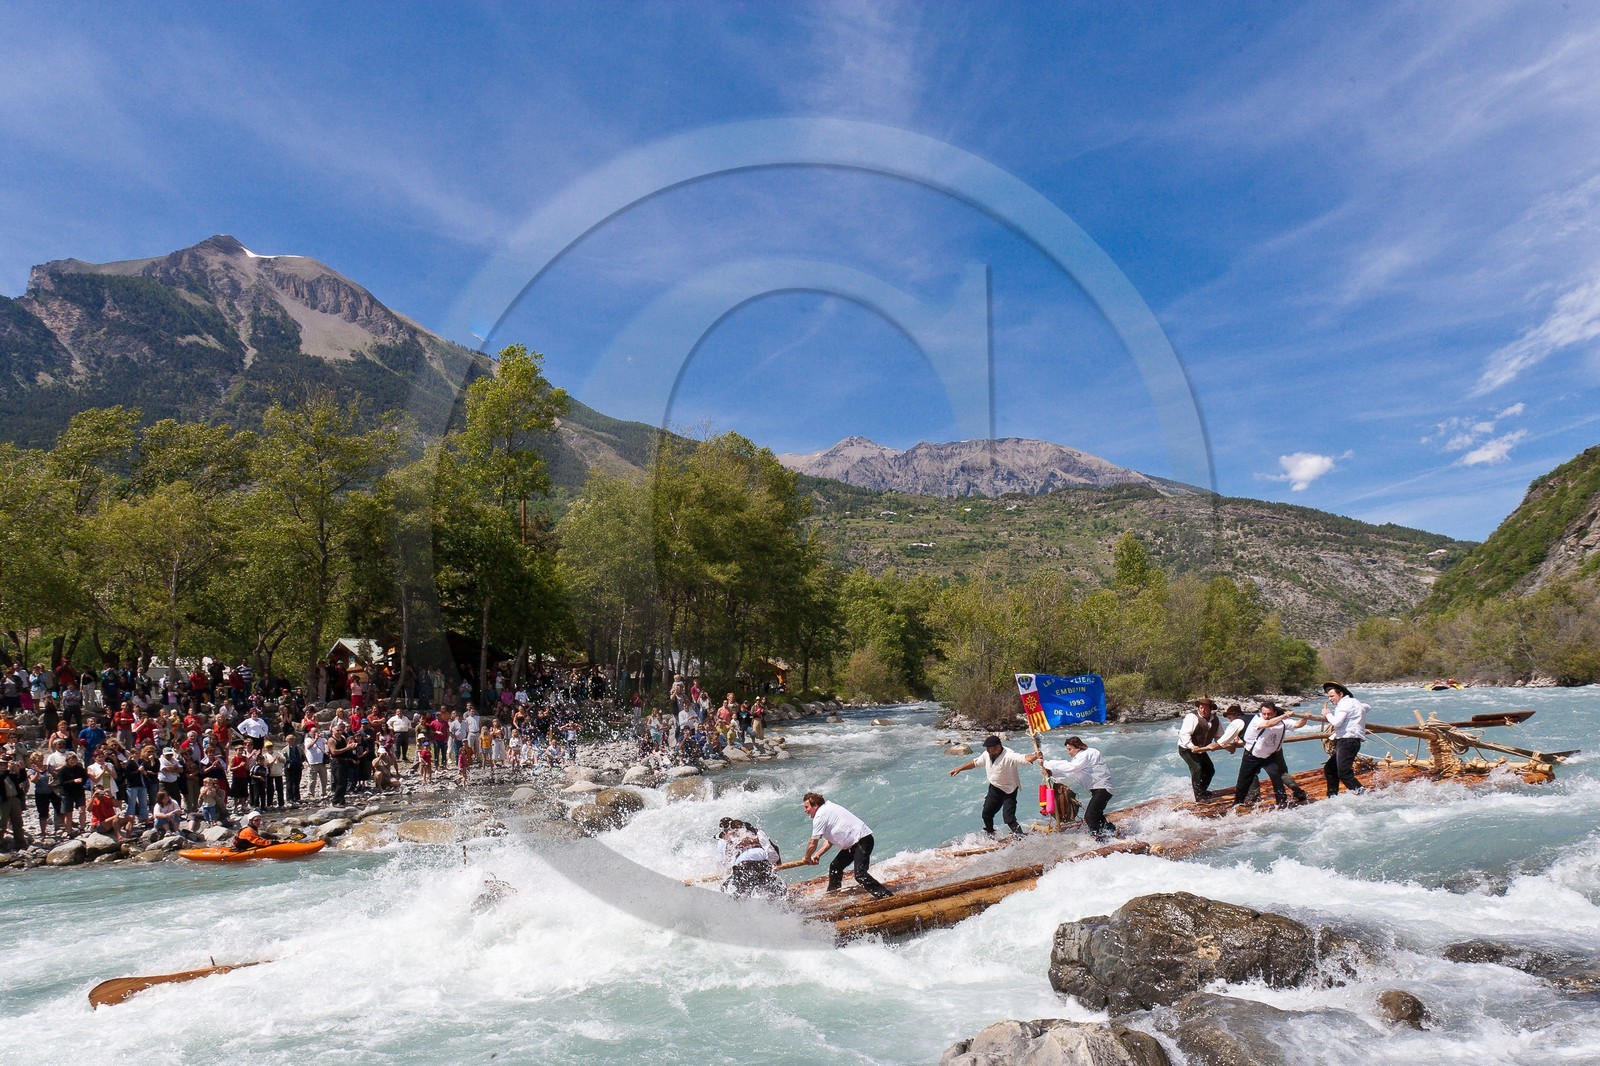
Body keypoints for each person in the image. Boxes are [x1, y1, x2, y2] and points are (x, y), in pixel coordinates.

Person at [800, 791, 893, 899]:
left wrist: (806, 857)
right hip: (854, 844)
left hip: (862, 841)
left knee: (860, 875)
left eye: (807, 807)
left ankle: (887, 896)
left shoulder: (820, 816)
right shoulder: (827, 809)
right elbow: (830, 840)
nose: (805, 810)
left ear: (815, 806)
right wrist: (817, 855)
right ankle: (833, 896)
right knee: (835, 867)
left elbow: (813, 843)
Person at [948, 734, 1034, 836]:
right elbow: (975, 763)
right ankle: (991, 834)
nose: (988, 750)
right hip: (995, 788)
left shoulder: (1009, 755)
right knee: (986, 814)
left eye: (990, 748)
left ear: (998, 747)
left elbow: (1023, 758)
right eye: (987, 748)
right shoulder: (987, 754)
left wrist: (1035, 756)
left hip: (1009, 790)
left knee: (1009, 818)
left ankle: (1020, 836)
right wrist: (959, 769)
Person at [1232, 701, 1311, 809]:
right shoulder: (1257, 719)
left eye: (1269, 714)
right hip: (1252, 755)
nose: (1266, 716)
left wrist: (1304, 718)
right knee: (1243, 781)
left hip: (1270, 755)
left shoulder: (1283, 722)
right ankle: (1237, 804)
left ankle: (1282, 803)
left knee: (1277, 778)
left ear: (1274, 712)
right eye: (1264, 713)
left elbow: (1298, 724)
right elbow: (1268, 724)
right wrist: (1284, 715)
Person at [1042, 735, 1117, 840]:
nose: (1068, 752)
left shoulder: (1087, 754)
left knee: (1090, 817)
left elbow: (1071, 767)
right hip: (1098, 790)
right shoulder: (1079, 759)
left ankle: (1100, 839)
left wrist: (1046, 763)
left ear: (1077, 747)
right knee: (1097, 815)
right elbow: (1071, 774)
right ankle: (1111, 833)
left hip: (1103, 789)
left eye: (1070, 749)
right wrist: (1051, 772)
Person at [717, 818, 786, 900]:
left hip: (742, 865)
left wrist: (727, 875)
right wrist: (769, 865)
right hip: (761, 863)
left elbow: (728, 863)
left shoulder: (730, 839)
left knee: (737, 892)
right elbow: (773, 853)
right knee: (768, 887)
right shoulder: (757, 832)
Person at [1320, 682, 1369, 796]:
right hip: (1350, 741)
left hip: (1347, 740)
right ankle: (1332, 796)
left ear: (1341, 694)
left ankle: (1364, 795)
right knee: (1330, 769)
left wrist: (1327, 714)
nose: (1330, 699)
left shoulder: (1344, 704)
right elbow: (1367, 707)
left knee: (1344, 774)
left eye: (1332, 696)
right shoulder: (1354, 702)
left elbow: (1336, 722)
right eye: (1328, 697)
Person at [1177, 698, 1222, 801]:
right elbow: (1184, 734)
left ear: (1210, 709)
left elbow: (1219, 736)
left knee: (1210, 769)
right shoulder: (1192, 717)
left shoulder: (1215, 720)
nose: (1203, 710)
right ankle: (1199, 797)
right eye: (1201, 708)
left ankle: (1202, 790)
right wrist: (1191, 746)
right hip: (1186, 749)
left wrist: (1224, 744)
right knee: (1197, 768)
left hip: (1201, 749)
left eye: (1205, 708)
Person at [1, 754, 29, 849]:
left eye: (4, 764)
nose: (3, 766)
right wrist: (8, 770)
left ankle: (20, 842)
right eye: (1, 765)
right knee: (2, 823)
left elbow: (21, 779)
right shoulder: (4, 774)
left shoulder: (9, 774)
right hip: (3, 802)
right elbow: (1, 778)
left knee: (17, 822)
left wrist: (22, 769)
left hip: (14, 799)